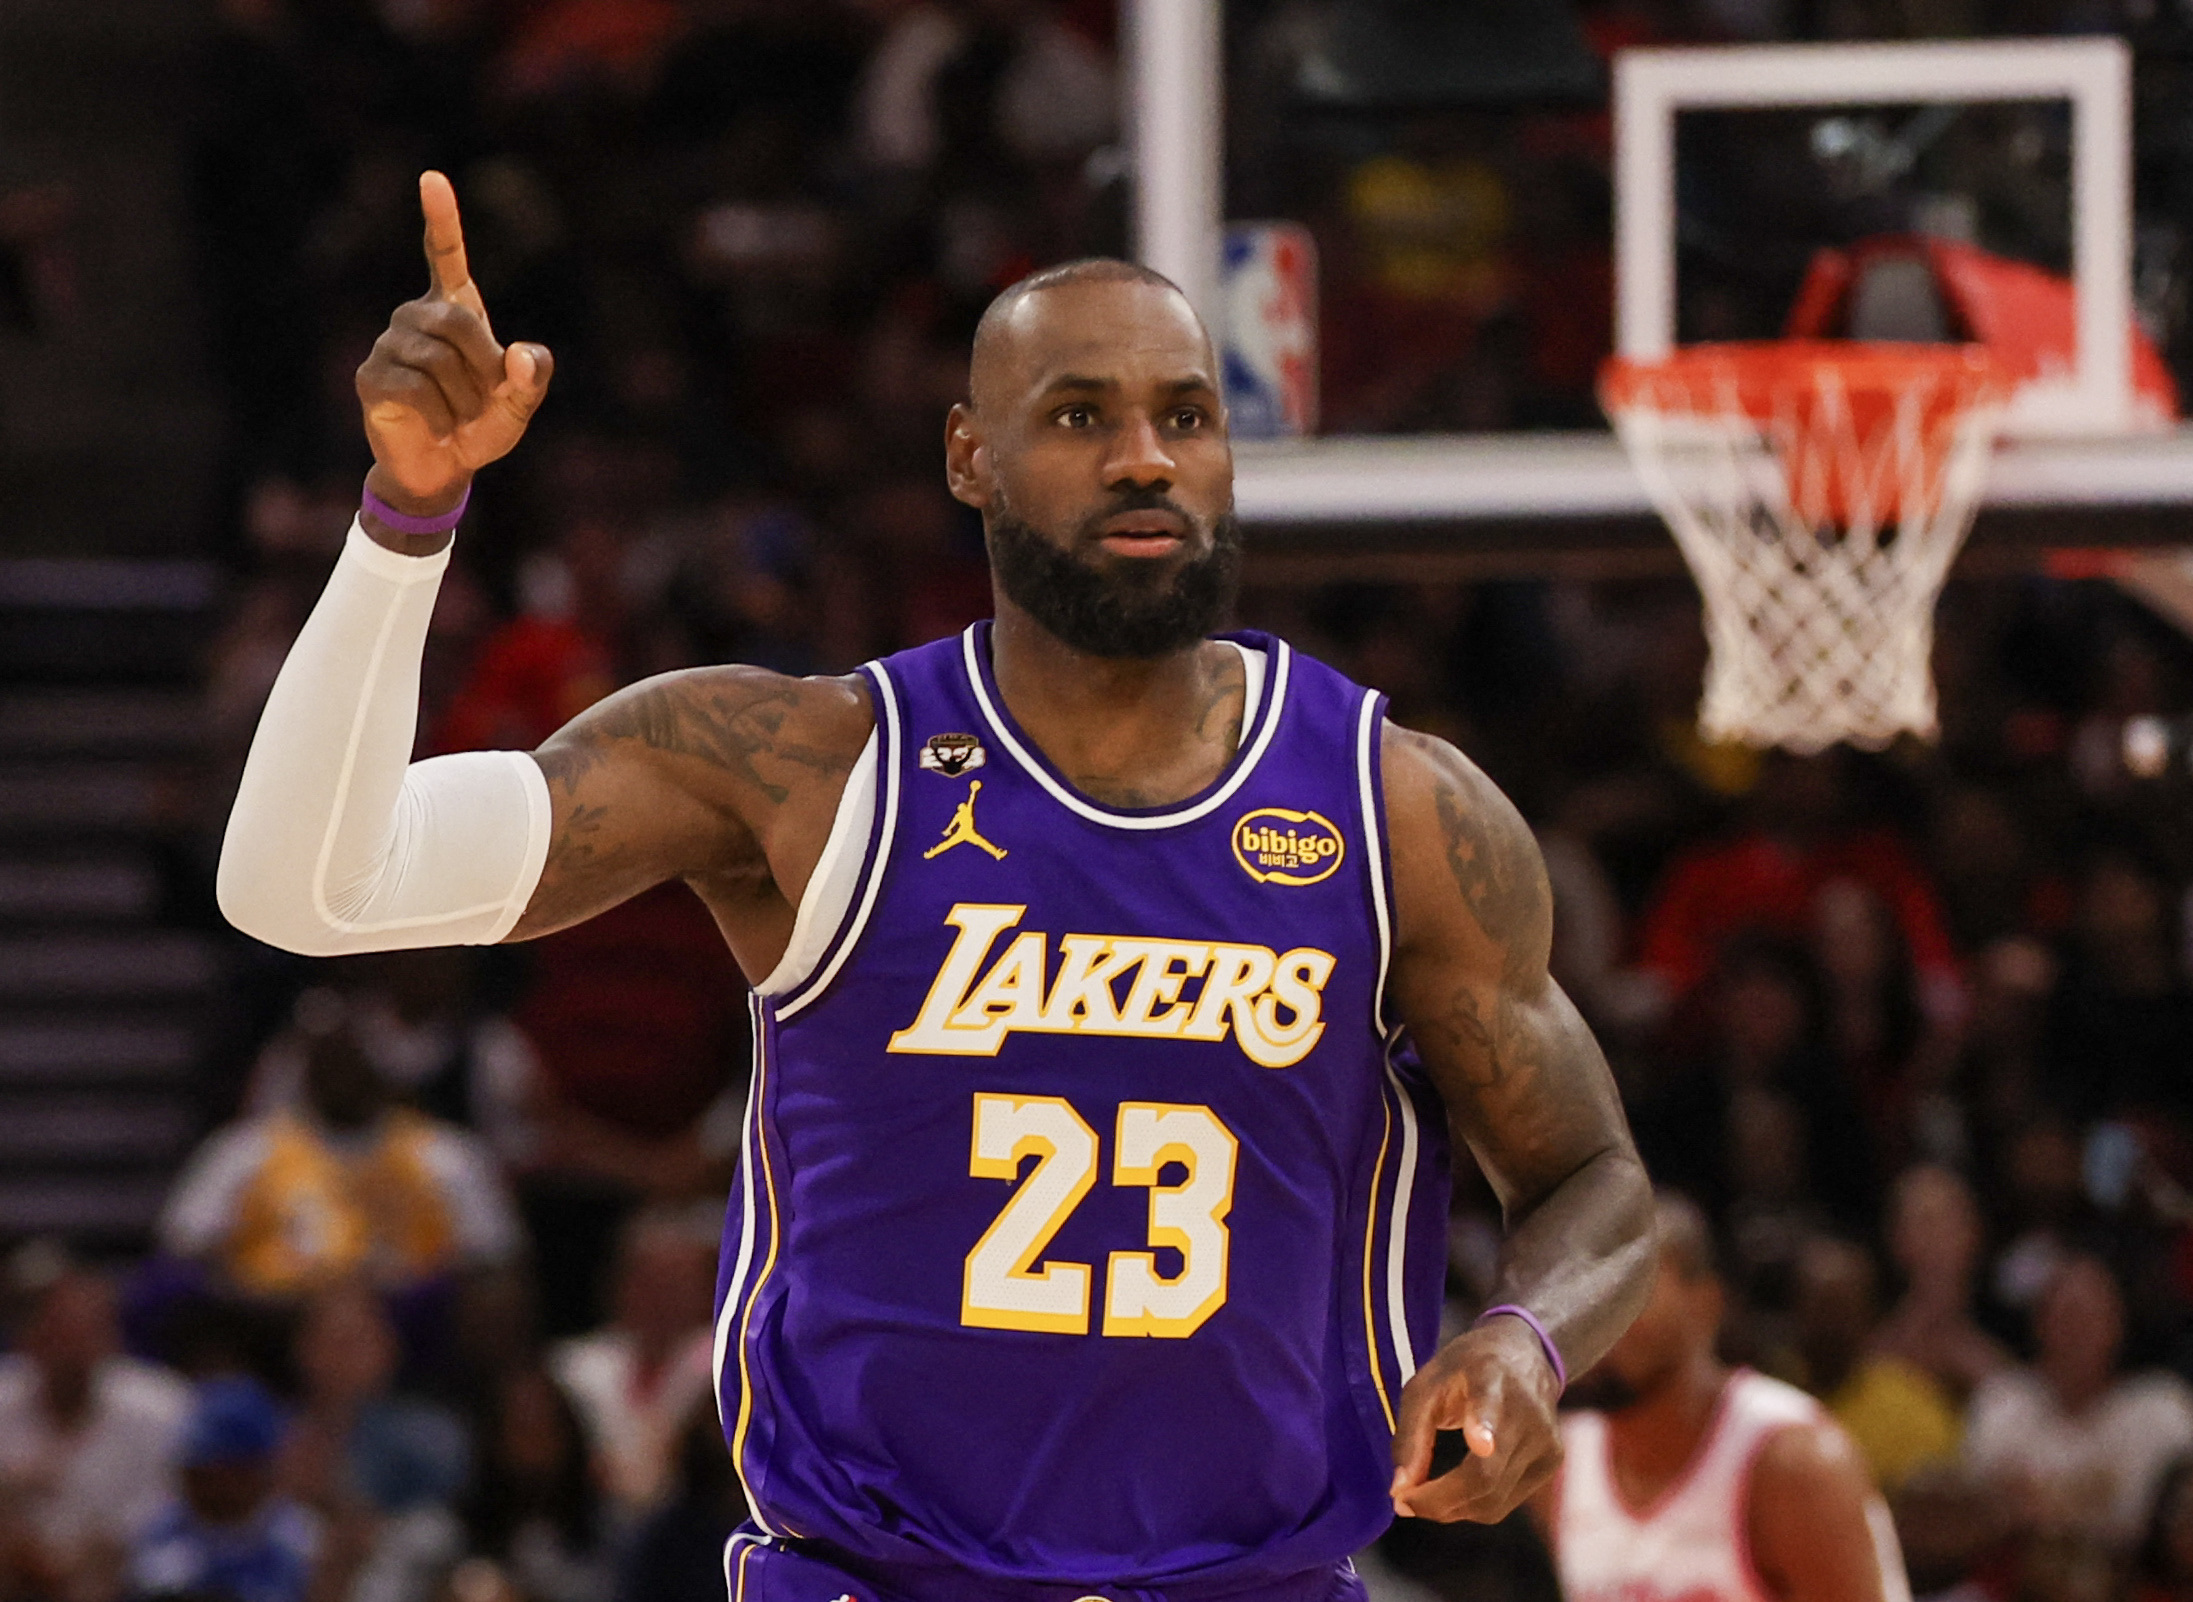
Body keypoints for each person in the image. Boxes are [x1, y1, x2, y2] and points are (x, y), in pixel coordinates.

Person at [216, 171, 1655, 1600]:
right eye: (1081, 415)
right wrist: (407, 516)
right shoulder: (803, 768)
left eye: (1187, 415)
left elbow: (1592, 1177)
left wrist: (1524, 1336)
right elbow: (309, 887)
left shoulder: (1395, 805)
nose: (1145, 457)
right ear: (968, 454)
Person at [1543, 1195, 1911, 1602]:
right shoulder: (1558, 1465)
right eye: (1577, 1292)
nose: (1593, 1318)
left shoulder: (1796, 1464)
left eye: (1623, 1291)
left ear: (1704, 1302)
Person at [0, 1259, 191, 1602]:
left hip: (122, 1578)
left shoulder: (160, 1407)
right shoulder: (4, 1397)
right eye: (57, 1332)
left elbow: (172, 1511)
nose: (71, 1349)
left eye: (86, 1331)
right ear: (29, 1336)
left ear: (111, 1339)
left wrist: (85, 1559)